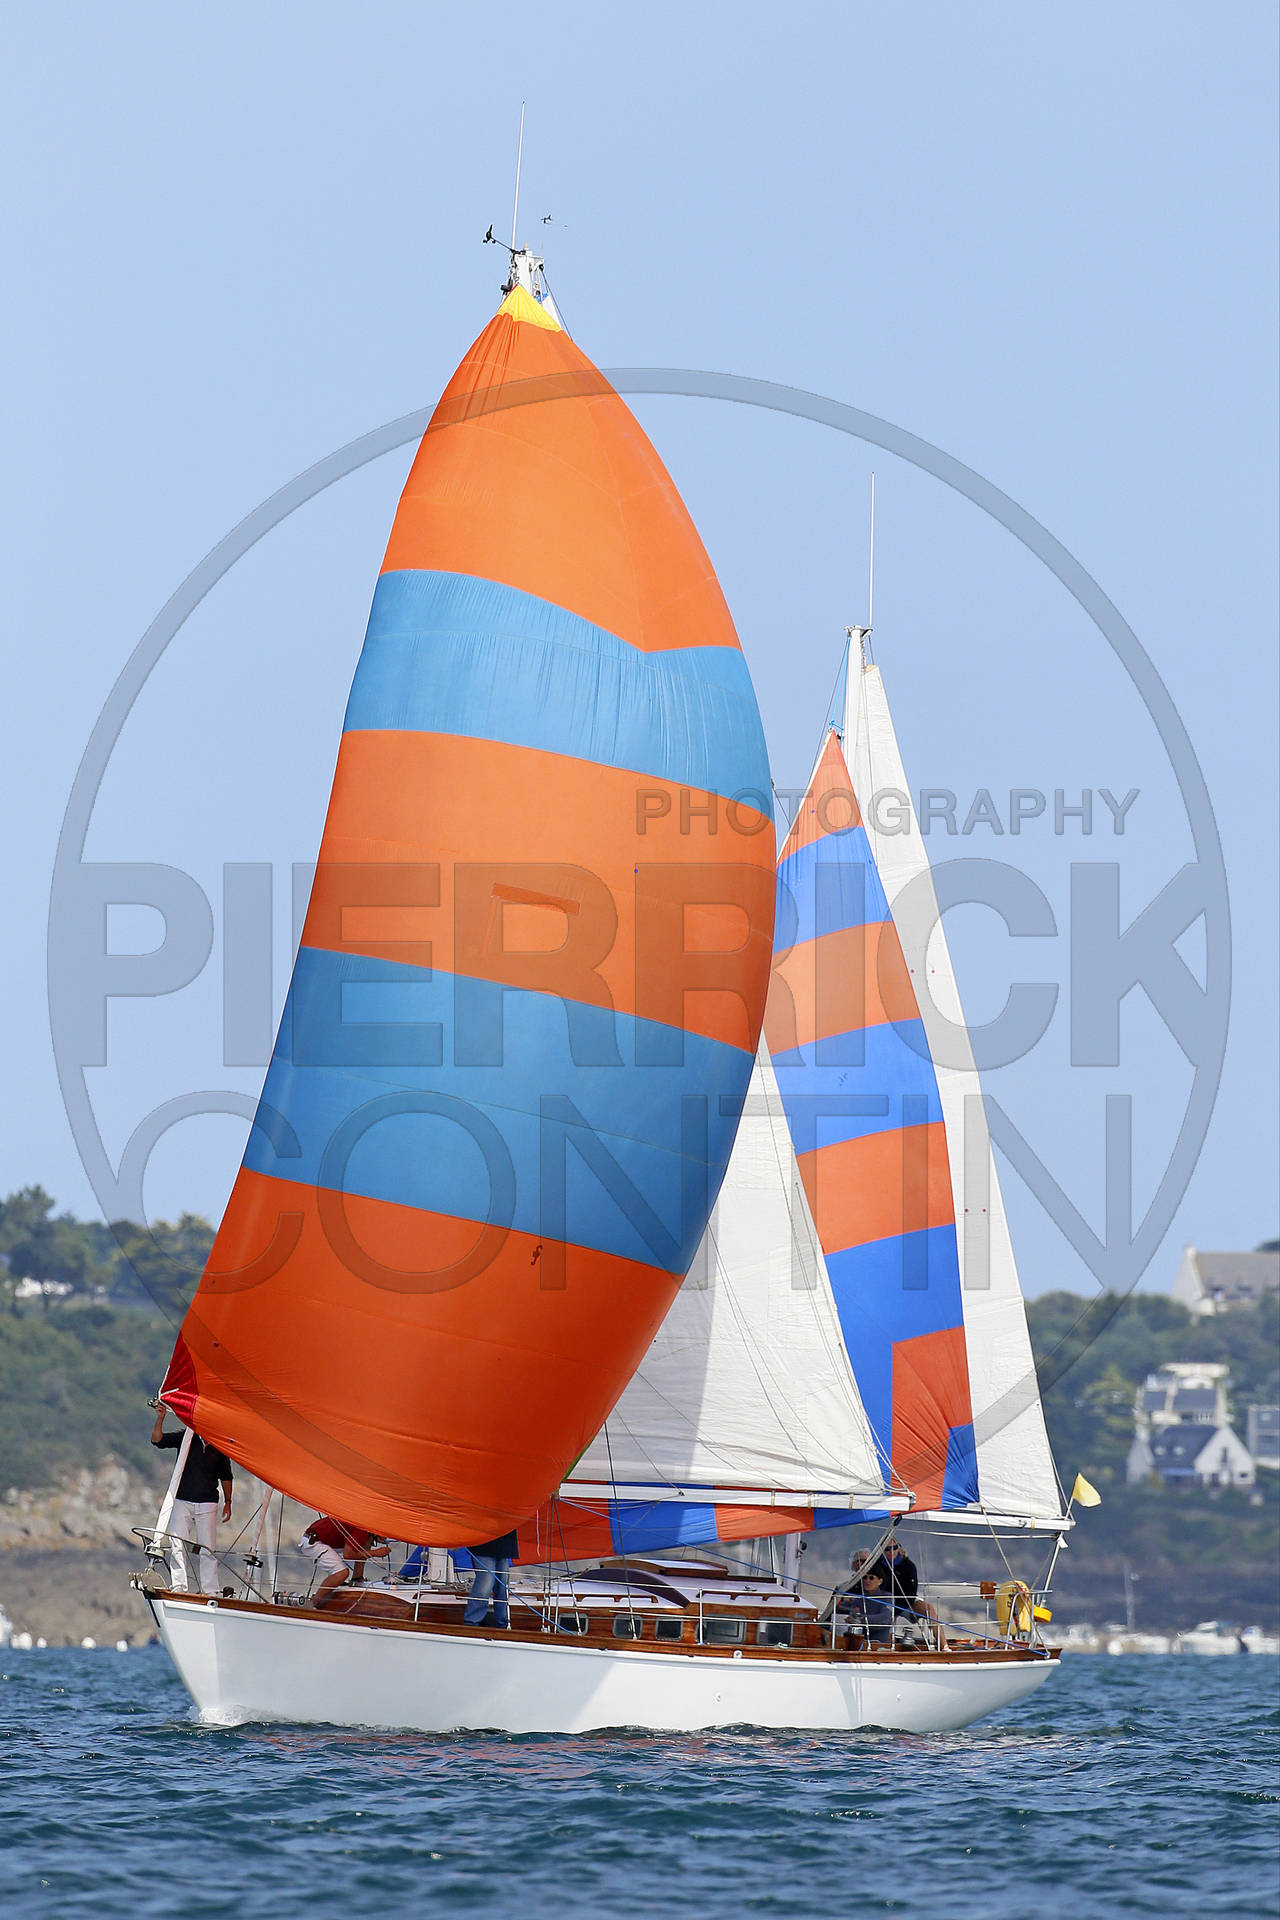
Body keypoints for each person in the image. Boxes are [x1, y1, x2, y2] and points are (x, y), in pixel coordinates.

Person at [150, 1408, 233, 1597]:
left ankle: (210, 1590)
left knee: (207, 1548)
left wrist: (228, 1502)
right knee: (177, 1543)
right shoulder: (186, 1437)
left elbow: (226, 1476)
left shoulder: (219, 1446)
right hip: (182, 1499)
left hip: (208, 1502)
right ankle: (179, 1586)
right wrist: (160, 1418)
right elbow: (157, 1440)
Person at [300, 1515, 390, 1601]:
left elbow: (361, 1547)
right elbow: (348, 1555)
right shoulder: (362, 1529)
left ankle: (357, 1578)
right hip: (313, 1542)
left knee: (367, 1540)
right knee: (342, 1573)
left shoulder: (366, 1527)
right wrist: (376, 1553)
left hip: (318, 1537)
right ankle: (313, 1603)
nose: (386, 1537)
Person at [881, 1535, 947, 1650]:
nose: (891, 1551)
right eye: (887, 1549)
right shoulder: (877, 1565)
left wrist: (898, 1607)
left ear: (898, 1548)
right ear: (882, 1551)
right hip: (885, 1601)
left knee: (929, 1609)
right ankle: (886, 1646)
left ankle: (944, 1646)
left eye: (894, 1548)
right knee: (887, 1614)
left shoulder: (908, 1566)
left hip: (907, 1601)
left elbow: (911, 1593)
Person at [463, 1528, 518, 1628]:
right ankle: (471, 1622)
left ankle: (503, 1622)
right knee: (486, 1583)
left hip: (504, 1540)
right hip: (483, 1541)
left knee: (501, 1586)